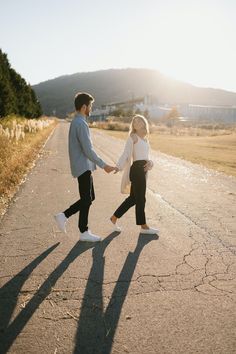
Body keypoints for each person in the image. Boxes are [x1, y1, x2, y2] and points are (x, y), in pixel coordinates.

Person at [54, 92, 115, 242]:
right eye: (90, 106)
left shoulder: (78, 122)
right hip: (82, 167)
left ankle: (70, 221)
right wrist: (104, 165)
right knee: (86, 199)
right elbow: (88, 150)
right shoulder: (80, 123)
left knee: (89, 197)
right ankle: (78, 227)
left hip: (84, 166)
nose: (91, 109)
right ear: (83, 107)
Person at [110, 114, 159, 235]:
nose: (136, 122)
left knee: (133, 199)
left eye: (138, 120)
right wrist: (119, 166)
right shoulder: (133, 137)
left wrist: (150, 163)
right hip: (137, 170)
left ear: (143, 123)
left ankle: (114, 217)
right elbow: (126, 154)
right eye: (134, 121)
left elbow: (147, 157)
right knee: (141, 198)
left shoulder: (146, 140)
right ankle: (143, 226)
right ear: (134, 126)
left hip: (144, 170)